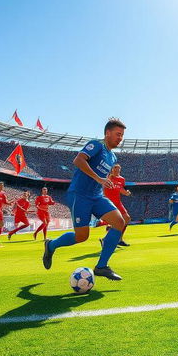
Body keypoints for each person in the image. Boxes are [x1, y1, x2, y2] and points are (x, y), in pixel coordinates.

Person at [42, 118, 127, 281]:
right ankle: (50, 245)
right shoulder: (96, 145)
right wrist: (99, 179)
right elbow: (78, 160)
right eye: (117, 134)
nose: (120, 138)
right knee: (81, 236)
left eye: (122, 135)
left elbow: (102, 177)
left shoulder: (113, 157)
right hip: (80, 195)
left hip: (97, 196)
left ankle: (102, 266)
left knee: (119, 221)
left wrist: (103, 182)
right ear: (107, 133)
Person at [102, 164, 132, 247]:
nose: (117, 170)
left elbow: (120, 189)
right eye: (115, 168)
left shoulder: (122, 179)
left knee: (127, 218)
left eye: (118, 169)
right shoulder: (108, 177)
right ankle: (106, 239)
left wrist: (126, 193)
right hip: (108, 202)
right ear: (112, 169)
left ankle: (119, 239)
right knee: (115, 222)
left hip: (118, 202)